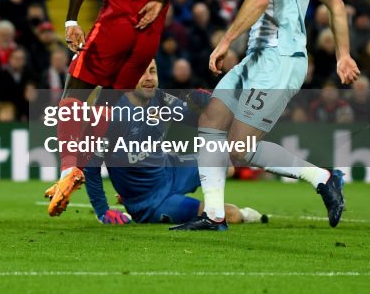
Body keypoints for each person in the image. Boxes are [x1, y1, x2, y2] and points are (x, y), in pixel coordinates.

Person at [171, 0, 360, 231]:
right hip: (261, 56)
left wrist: (226, 40)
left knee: (239, 149)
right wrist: (343, 55)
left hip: (279, 59)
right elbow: (336, 4)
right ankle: (213, 216)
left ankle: (323, 177)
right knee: (212, 119)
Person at [46, 0, 191, 216]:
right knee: (109, 102)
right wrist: (161, 0)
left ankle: (69, 168)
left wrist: (70, 20)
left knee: (75, 92)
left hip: (117, 25)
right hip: (149, 32)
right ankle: (81, 165)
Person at [50, 61, 266, 225]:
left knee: (226, 163)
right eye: (141, 73)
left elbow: (201, 121)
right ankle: (248, 215)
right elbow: (91, 164)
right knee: (229, 214)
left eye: (152, 71)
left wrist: (207, 105)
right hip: (151, 202)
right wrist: (102, 211)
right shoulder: (111, 114)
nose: (148, 78)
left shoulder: (161, 99)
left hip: (170, 169)